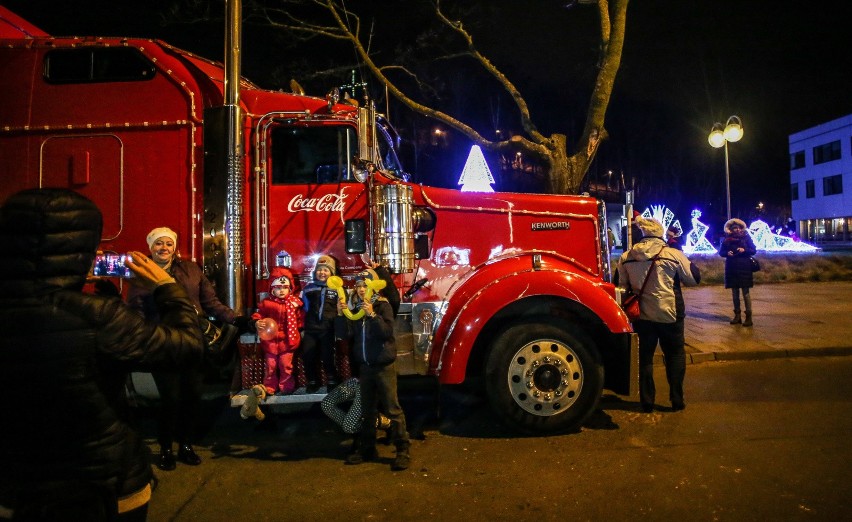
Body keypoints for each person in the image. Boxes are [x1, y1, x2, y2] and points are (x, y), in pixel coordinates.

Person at [0, 188, 204, 521]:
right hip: (105, 486)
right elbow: (185, 347)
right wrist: (167, 287)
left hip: (17, 485)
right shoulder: (98, 315)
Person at [127, 227, 236, 471]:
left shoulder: (191, 270)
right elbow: (136, 310)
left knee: (192, 397)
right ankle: (166, 448)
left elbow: (210, 303)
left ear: (174, 247)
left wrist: (235, 318)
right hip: (162, 343)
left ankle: (186, 446)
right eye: (158, 244)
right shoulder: (141, 276)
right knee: (170, 399)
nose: (163, 248)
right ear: (151, 248)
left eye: (168, 243)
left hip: (192, 342)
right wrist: (141, 337)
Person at [616, 217, 700, 413]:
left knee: (644, 357)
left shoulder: (627, 256)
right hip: (670, 312)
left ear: (643, 233)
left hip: (642, 314)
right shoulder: (673, 254)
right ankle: (677, 399)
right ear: (660, 233)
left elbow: (622, 286)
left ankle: (647, 401)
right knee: (675, 355)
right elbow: (693, 280)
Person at [336, 268, 410, 471]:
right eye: (358, 285)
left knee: (392, 409)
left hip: (384, 366)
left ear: (372, 287)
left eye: (365, 285)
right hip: (365, 367)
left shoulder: (382, 306)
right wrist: (341, 314)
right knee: (367, 410)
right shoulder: (356, 309)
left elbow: (386, 333)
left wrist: (373, 315)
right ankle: (367, 448)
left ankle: (402, 450)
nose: (361, 289)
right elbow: (344, 335)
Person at [251, 266, 303, 395]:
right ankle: (270, 386)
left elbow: (300, 318)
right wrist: (257, 322)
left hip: (287, 341)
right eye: (278, 287)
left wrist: (301, 328)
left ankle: (286, 386)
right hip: (270, 342)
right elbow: (258, 315)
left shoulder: (294, 303)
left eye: (285, 287)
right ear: (272, 289)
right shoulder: (266, 303)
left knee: (286, 366)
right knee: (270, 366)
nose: (281, 291)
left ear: (290, 288)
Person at [300, 254, 340, 393]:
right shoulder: (309, 288)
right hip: (311, 329)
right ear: (315, 271)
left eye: (326, 270)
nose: (322, 273)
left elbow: (341, 308)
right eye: (319, 270)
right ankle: (312, 380)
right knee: (308, 354)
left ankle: (332, 379)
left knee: (327, 355)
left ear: (332, 273)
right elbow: (304, 306)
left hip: (327, 329)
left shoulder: (337, 290)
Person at [719, 218, 757, 327]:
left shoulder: (746, 238)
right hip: (732, 267)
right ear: (730, 229)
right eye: (734, 228)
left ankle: (748, 317)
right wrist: (727, 253)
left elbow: (753, 250)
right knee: (735, 293)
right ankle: (737, 315)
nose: (736, 229)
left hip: (744, 267)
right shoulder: (727, 239)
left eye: (738, 227)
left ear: (741, 228)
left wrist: (744, 250)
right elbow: (721, 252)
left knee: (745, 293)